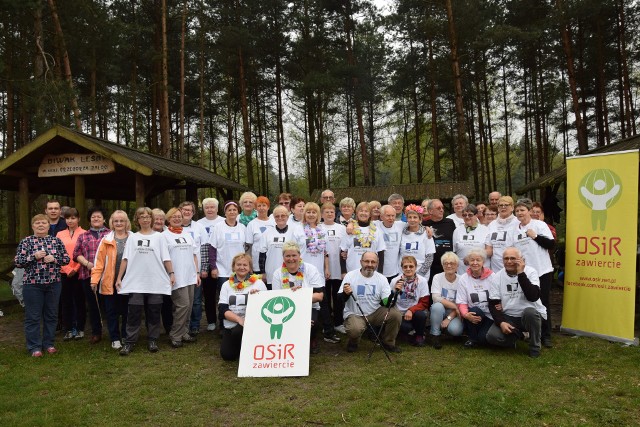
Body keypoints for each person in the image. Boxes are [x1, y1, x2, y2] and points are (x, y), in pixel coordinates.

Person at [116, 207, 174, 355]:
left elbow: (166, 257)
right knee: (134, 312)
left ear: (152, 219)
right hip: (136, 282)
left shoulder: (159, 237)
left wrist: (171, 273)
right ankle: (129, 342)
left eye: (148, 216)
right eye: (142, 217)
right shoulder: (133, 238)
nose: (146, 219)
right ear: (137, 220)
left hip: (155, 281)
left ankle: (153, 340)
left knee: (154, 312)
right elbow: (125, 259)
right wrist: (119, 277)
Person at [16, 214, 70, 356]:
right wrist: (33, 256)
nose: (41, 225)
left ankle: (49, 344)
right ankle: (34, 347)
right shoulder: (26, 242)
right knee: (33, 316)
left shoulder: (55, 241)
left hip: (53, 284)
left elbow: (66, 259)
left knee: (51, 315)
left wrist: (55, 258)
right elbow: (18, 261)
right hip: (32, 285)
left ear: (48, 225)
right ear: (33, 226)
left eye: (44, 223)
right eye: (37, 223)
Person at [510, 198, 555, 348]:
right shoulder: (514, 230)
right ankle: (533, 333)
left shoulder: (539, 225)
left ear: (529, 211)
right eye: (517, 211)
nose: (519, 213)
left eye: (522, 210)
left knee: (543, 302)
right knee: (528, 302)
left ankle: (546, 335)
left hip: (542, 270)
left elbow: (551, 244)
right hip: (525, 272)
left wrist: (535, 236)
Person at [486, 247, 547, 358]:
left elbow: (533, 297)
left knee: (530, 312)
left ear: (521, 260)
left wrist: (521, 273)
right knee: (492, 337)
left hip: (529, 315)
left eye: (513, 258)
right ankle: (520, 335)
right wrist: (501, 322)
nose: (509, 261)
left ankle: (535, 347)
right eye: (506, 258)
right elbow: (493, 303)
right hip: (510, 316)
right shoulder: (497, 277)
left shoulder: (531, 272)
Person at [339, 252, 402, 353]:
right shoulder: (350, 276)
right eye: (366, 261)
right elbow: (339, 299)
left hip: (375, 312)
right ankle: (353, 341)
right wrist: (345, 293)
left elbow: (386, 303)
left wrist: (394, 293)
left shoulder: (382, 278)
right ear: (361, 262)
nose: (370, 264)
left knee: (395, 314)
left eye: (373, 262)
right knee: (355, 329)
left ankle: (388, 343)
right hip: (355, 314)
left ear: (377, 264)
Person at [272, 242, 326, 353]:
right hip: (286, 308)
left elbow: (319, 296)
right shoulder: (277, 273)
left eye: (294, 255)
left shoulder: (310, 269)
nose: (291, 259)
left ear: (299, 256)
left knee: (311, 322)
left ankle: (312, 339)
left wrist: (300, 296)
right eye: (287, 256)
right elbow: (277, 298)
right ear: (283, 257)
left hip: (309, 306)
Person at [91, 210, 132, 350]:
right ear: (112, 223)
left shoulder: (133, 238)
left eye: (122, 221)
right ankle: (115, 337)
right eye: (116, 221)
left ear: (127, 222)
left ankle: (126, 335)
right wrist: (94, 280)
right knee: (111, 312)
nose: (119, 223)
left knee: (128, 311)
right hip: (110, 282)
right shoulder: (106, 240)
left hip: (129, 282)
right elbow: (99, 262)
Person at [203, 200, 248, 327]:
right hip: (222, 269)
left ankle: (240, 322)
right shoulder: (218, 227)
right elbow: (212, 248)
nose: (232, 212)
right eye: (229, 210)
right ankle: (223, 324)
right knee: (225, 298)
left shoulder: (242, 227)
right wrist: (213, 267)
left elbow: (246, 248)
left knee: (238, 297)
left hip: (240, 270)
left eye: (234, 210)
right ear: (225, 212)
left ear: (238, 212)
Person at [163, 207, 200, 348]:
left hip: (190, 275)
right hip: (176, 277)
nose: (177, 218)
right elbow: (165, 258)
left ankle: (184, 332)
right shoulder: (164, 236)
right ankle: (175, 334)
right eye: (174, 216)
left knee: (189, 306)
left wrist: (197, 273)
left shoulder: (187, 233)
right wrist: (171, 273)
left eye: (179, 216)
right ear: (169, 219)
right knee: (182, 305)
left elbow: (194, 254)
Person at [218, 253, 267, 361]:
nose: (241, 267)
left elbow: (266, 307)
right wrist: (239, 319)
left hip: (252, 324)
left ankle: (249, 347)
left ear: (250, 268)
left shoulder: (259, 284)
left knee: (238, 331)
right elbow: (222, 310)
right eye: (238, 264)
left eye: (245, 265)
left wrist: (258, 297)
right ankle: (240, 347)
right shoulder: (226, 285)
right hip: (231, 324)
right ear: (233, 267)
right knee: (227, 356)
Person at [73, 207, 110, 344]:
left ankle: (113, 331)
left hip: (107, 275)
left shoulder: (110, 234)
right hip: (88, 274)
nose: (96, 219)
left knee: (109, 305)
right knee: (93, 305)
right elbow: (76, 254)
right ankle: (96, 332)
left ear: (104, 219)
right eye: (93, 217)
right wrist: (88, 264)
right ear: (89, 219)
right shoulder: (83, 236)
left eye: (99, 217)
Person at [258, 205, 305, 290]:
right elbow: (262, 255)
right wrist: (263, 272)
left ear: (287, 217)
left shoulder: (294, 232)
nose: (280, 218)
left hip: (291, 273)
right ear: (274, 218)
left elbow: (299, 253)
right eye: (277, 216)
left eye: (283, 215)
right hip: (271, 273)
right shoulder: (267, 233)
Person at [455, 249, 495, 348]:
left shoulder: (492, 277)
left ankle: (479, 337)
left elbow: (497, 297)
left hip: (490, 315)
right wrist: (466, 315)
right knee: (474, 310)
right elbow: (461, 302)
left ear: (483, 262)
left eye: (478, 260)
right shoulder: (463, 278)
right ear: (468, 262)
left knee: (483, 339)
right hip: (473, 313)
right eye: (472, 260)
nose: (475, 263)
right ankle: (472, 338)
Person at [179, 201, 208, 336]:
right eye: (184, 210)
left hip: (195, 270)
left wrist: (204, 268)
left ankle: (194, 325)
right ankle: (180, 327)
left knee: (195, 300)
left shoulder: (199, 227)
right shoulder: (173, 227)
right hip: (179, 270)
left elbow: (205, 248)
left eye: (189, 210)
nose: (187, 212)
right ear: (179, 211)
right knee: (181, 301)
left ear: (193, 212)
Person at [57, 208, 86, 341]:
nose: (70, 220)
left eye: (73, 218)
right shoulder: (60, 234)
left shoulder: (84, 233)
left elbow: (86, 254)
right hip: (64, 272)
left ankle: (80, 328)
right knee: (66, 301)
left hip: (80, 272)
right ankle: (68, 329)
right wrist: (68, 269)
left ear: (78, 219)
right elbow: (57, 253)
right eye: (68, 218)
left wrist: (76, 268)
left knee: (79, 300)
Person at [319, 202, 347, 335]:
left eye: (332, 212)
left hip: (338, 268)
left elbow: (345, 247)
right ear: (322, 214)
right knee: (324, 298)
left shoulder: (341, 228)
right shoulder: (318, 228)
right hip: (323, 268)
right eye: (326, 211)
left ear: (335, 214)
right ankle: (326, 323)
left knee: (337, 297)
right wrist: (325, 267)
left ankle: (338, 322)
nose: (329, 214)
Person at [197, 197, 225, 331]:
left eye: (212, 207)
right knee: (209, 294)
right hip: (204, 263)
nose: (210, 209)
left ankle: (223, 319)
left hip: (220, 263)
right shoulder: (199, 223)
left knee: (222, 294)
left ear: (217, 208)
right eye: (207, 207)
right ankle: (211, 321)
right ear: (203, 209)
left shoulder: (223, 222)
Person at [390, 256, 430, 347]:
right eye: (405, 267)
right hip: (399, 312)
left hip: (414, 312)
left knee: (421, 315)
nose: (408, 269)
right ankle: (407, 333)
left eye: (411, 266)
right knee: (406, 327)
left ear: (416, 267)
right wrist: (395, 291)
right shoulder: (395, 281)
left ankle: (419, 335)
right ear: (402, 268)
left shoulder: (422, 281)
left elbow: (424, 302)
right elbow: (390, 301)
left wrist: (411, 310)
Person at [340, 202, 386, 274]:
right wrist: (343, 272)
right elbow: (343, 251)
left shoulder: (377, 230)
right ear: (357, 213)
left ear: (370, 214)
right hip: (352, 271)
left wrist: (380, 272)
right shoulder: (350, 230)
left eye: (366, 211)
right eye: (361, 211)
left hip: (371, 271)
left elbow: (381, 252)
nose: (363, 213)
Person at [430, 252, 464, 349]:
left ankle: (448, 331)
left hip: (454, 312)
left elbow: (462, 302)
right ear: (442, 265)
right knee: (437, 306)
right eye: (446, 263)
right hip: (441, 309)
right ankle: (435, 335)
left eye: (452, 263)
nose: (449, 266)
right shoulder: (437, 277)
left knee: (455, 331)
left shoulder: (462, 280)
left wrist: (449, 318)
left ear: (457, 265)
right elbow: (436, 297)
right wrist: (454, 306)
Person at [424, 199, 457, 286]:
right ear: (430, 211)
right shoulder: (424, 224)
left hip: (448, 264)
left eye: (442, 208)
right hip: (432, 266)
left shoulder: (450, 223)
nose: (442, 210)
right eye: (439, 208)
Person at [399, 204, 435, 279]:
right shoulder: (401, 232)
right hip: (403, 273)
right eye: (410, 217)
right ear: (407, 219)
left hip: (421, 274)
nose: (412, 220)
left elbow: (429, 257)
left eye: (415, 217)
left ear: (420, 219)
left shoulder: (426, 234)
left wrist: (419, 275)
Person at [452, 204, 490, 275]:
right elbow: (454, 251)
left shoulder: (485, 230)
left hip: (481, 271)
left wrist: (471, 257)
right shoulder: (457, 231)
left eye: (470, 215)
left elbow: (490, 251)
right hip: (463, 272)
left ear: (476, 215)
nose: (467, 217)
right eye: (464, 215)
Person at [151, 208, 172, 333]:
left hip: (166, 273)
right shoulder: (144, 233)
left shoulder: (170, 233)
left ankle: (168, 327)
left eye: (161, 219)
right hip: (151, 273)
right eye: (156, 219)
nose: (159, 221)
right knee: (152, 304)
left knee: (167, 302)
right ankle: (153, 329)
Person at [485, 195, 516, 272]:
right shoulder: (492, 224)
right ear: (498, 208)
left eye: (506, 205)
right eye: (500, 205)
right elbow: (489, 249)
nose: (503, 207)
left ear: (512, 207)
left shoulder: (518, 223)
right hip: (496, 269)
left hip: (514, 267)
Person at [245, 196, 274, 275]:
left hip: (272, 261)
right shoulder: (251, 224)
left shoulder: (274, 222)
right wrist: (249, 264)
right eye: (259, 206)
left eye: (264, 205)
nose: (262, 208)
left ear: (268, 207)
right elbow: (248, 247)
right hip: (257, 264)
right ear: (255, 208)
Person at [376, 205, 405, 281]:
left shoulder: (400, 225)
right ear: (381, 217)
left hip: (394, 272)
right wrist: (350, 224)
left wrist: (426, 228)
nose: (391, 218)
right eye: (388, 216)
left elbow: (415, 224)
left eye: (393, 216)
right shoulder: (375, 225)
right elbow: (359, 223)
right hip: (377, 270)